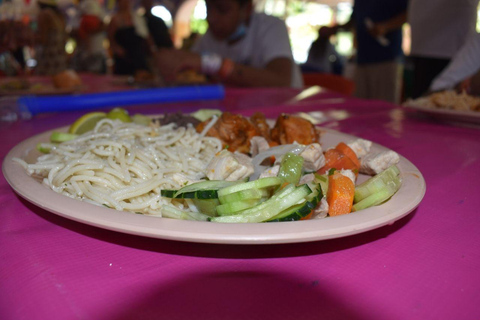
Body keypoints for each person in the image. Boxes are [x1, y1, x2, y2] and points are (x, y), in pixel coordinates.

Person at [156, 0, 302, 88]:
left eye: (222, 9)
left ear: (247, 9)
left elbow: (281, 81)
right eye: (208, 8)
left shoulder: (271, 27)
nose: (212, 18)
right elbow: (188, 66)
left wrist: (214, 64)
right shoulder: (209, 37)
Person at [322, 0, 407, 103]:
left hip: (386, 58)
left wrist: (385, 27)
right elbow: (354, 21)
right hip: (362, 59)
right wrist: (334, 29)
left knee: (384, 106)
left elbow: (407, 14)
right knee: (359, 105)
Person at [408, 0, 479, 98]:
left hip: (446, 47)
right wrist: (470, 84)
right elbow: (436, 90)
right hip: (426, 47)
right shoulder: (477, 43)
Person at [107, 0, 150, 75]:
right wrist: (117, 50)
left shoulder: (137, 18)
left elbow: (145, 36)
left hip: (138, 54)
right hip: (123, 58)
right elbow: (111, 39)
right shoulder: (114, 19)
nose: (125, 3)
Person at [72, 0, 107, 73]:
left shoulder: (97, 7)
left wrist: (90, 30)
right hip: (82, 53)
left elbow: (104, 25)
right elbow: (74, 30)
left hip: (95, 52)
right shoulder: (79, 9)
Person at [34, 0, 68, 76]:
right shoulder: (59, 16)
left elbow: (43, 38)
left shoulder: (44, 14)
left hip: (49, 57)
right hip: (59, 56)